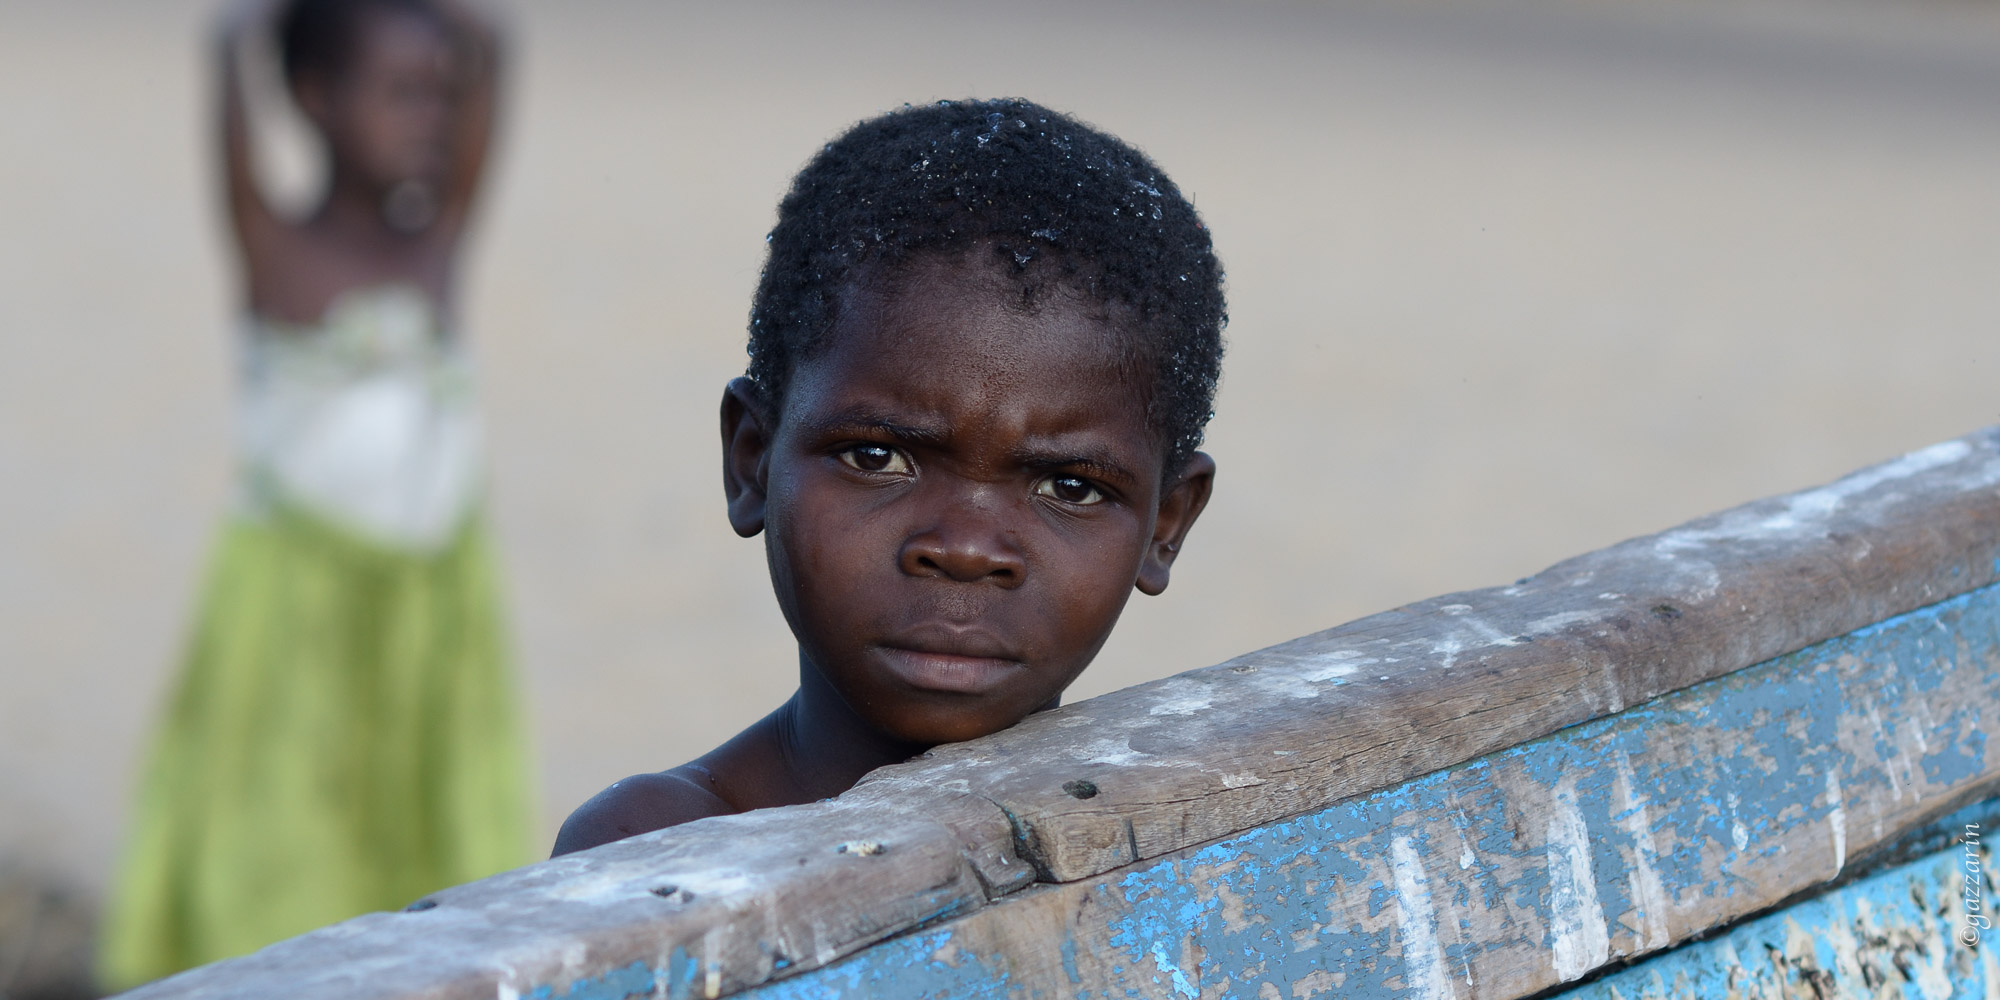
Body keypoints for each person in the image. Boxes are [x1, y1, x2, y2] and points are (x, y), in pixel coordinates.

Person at [553, 99, 1224, 856]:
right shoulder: (656, 845)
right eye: (876, 458)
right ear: (752, 460)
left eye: (1070, 487)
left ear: (1165, 525)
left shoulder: (1196, 834)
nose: (966, 548)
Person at [99, 0, 530, 987]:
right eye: (398, 93)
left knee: (425, 808)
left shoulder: (437, 243)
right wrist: (254, 29)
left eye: (440, 94)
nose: (429, 116)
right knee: (283, 811)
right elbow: (228, 70)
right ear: (315, 98)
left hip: (432, 594)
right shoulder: (275, 246)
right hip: (296, 598)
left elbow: (495, 50)